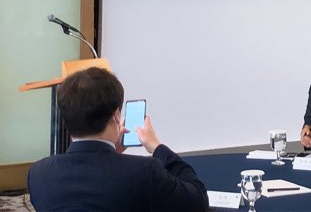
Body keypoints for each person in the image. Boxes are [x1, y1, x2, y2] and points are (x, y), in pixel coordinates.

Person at [27, 67, 208, 211]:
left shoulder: (38, 174)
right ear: (116, 116)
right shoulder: (144, 172)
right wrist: (157, 147)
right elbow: (197, 201)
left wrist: (112, 154)